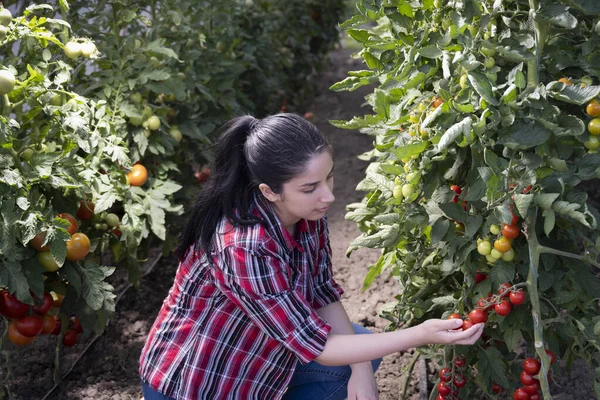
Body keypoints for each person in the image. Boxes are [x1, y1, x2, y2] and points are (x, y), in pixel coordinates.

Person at [139, 113, 484, 400]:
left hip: (256, 356)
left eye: (328, 177)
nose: (328, 196)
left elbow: (321, 292)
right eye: (310, 187)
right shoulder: (243, 246)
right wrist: (420, 333)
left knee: (362, 351)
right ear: (269, 191)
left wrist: (361, 373)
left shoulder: (305, 215)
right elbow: (316, 346)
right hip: (198, 382)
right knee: (348, 354)